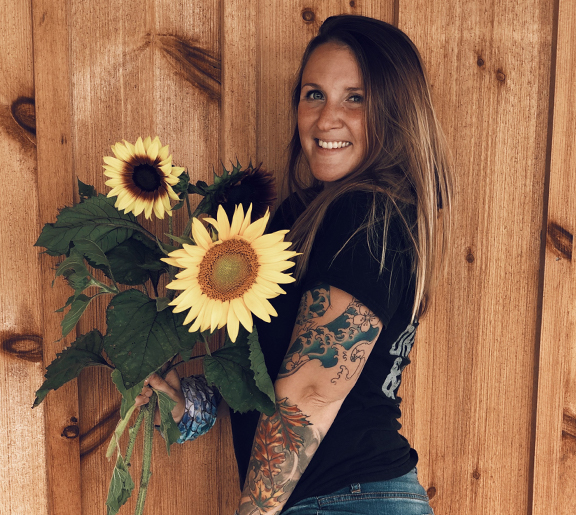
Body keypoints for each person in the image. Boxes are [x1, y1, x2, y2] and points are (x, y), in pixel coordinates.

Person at [136, 14, 452, 515]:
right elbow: (276, 363)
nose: (327, 118)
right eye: (313, 94)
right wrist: (197, 401)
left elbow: (311, 391)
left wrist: (253, 512)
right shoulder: (306, 217)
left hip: (345, 499)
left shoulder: (367, 213)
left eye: (356, 97)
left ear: (395, 110)